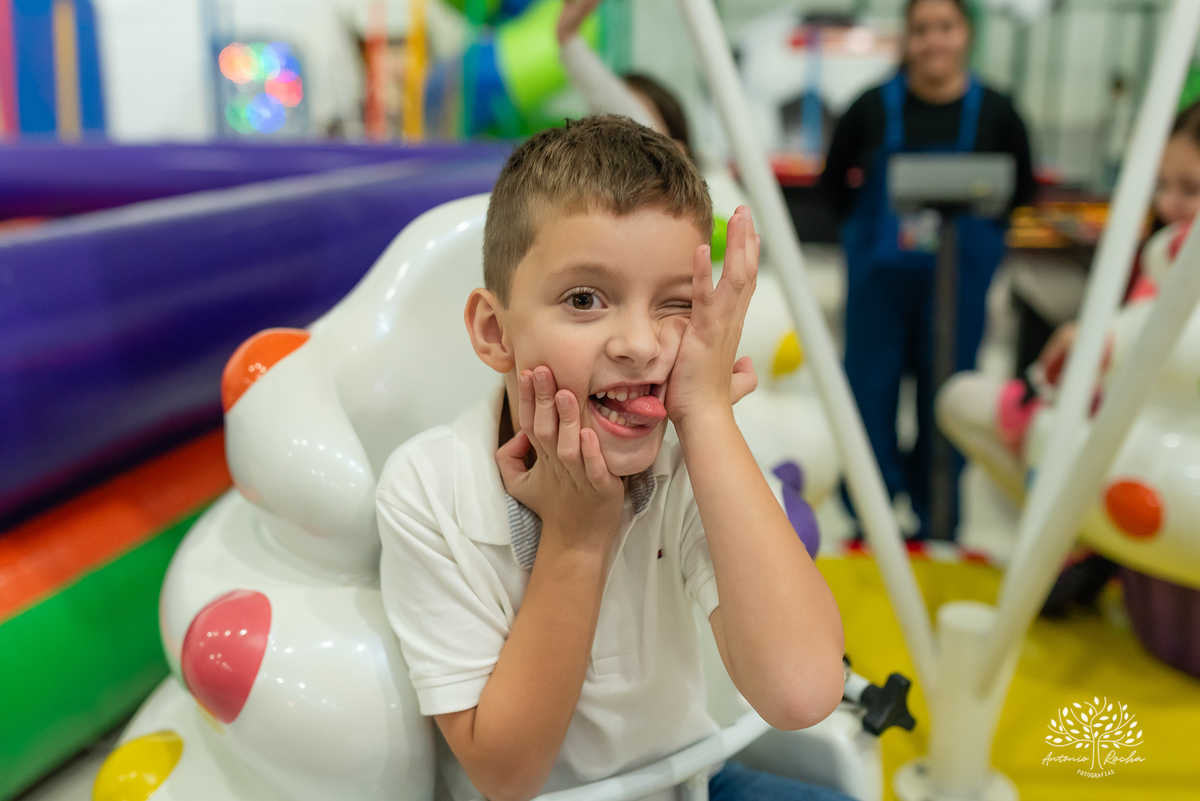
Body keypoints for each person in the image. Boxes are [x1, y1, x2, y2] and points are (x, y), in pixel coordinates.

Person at [376, 116, 850, 801]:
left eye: (675, 305)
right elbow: (504, 775)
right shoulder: (429, 488)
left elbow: (802, 689)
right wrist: (577, 534)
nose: (639, 342)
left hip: (691, 782)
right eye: (585, 299)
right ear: (494, 330)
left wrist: (710, 415)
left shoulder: (694, 453)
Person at [937, 100, 1200, 616]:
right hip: (1112, 431)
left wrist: (1102, 342)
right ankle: (1082, 540)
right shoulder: (1160, 260)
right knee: (966, 403)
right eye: (1162, 186)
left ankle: (1083, 540)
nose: (1169, 204)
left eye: (1187, 188)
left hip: (1162, 464)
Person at [818, 0, 1035, 540]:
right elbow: (830, 185)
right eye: (921, 30)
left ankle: (937, 518)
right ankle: (869, 517)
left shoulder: (998, 113)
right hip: (878, 288)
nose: (933, 40)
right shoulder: (870, 108)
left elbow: (1023, 190)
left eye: (945, 27)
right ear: (906, 39)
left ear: (967, 34)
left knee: (948, 395)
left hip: (957, 288)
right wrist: (866, 234)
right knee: (870, 394)